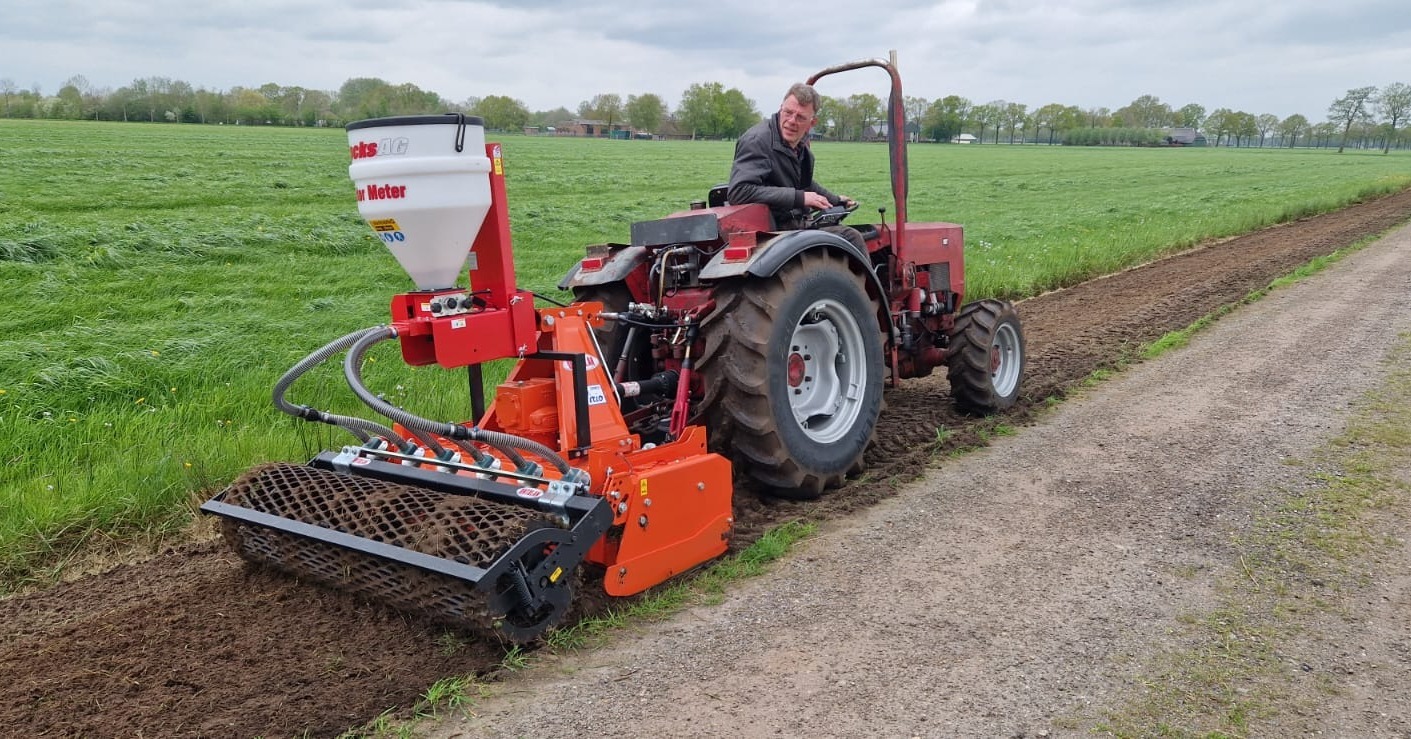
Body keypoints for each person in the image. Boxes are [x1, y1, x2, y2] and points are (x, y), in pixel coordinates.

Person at [727, 83, 865, 249]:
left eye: (800, 117)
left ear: (812, 122)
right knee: (851, 238)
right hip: (775, 230)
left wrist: (835, 200)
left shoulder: (799, 143)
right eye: (788, 113)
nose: (792, 121)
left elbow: (804, 183)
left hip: (792, 222)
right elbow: (739, 191)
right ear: (780, 108)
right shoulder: (757, 141)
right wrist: (801, 198)